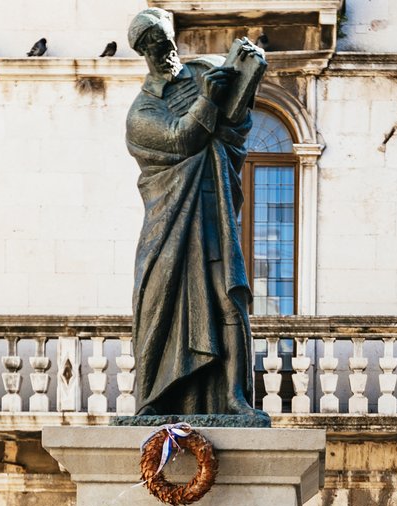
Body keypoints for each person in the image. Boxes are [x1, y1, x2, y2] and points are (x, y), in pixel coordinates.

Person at [125, 8, 266, 418]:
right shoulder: (141, 114)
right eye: (154, 45)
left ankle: (235, 398)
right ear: (142, 51)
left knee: (229, 301)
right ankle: (156, 399)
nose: (165, 49)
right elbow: (181, 140)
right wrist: (210, 99)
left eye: (167, 39)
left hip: (214, 210)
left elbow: (235, 132)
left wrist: (243, 89)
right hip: (169, 225)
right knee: (162, 306)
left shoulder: (203, 70)